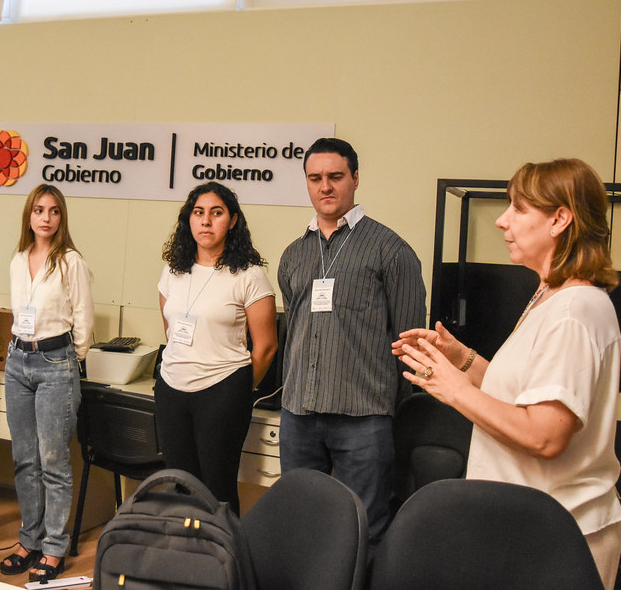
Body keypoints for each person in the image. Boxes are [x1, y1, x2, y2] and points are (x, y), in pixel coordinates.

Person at [392, 158, 621, 589]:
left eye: (517, 209)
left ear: (559, 219)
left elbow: (544, 435)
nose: (502, 221)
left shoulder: (574, 311)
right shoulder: (550, 295)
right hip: (527, 525)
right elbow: (521, 393)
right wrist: (461, 358)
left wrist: (455, 390)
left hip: (558, 536)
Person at [277, 137, 426, 549]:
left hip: (364, 420)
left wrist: (393, 409)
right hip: (298, 417)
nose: (325, 186)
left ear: (355, 179)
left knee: (366, 529)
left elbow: (409, 341)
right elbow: (294, 330)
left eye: (335, 177)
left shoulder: (391, 251)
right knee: (300, 523)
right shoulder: (293, 255)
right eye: (315, 178)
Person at [156, 181, 277, 515]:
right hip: (171, 388)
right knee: (180, 484)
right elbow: (170, 329)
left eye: (216, 213)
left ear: (233, 221)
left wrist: (235, 391)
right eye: (198, 213)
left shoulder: (249, 276)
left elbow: (266, 346)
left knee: (217, 488)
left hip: (223, 391)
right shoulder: (172, 271)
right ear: (188, 220)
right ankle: (186, 559)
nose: (206, 221)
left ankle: (223, 562)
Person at [1, 184, 93, 583]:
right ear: (29, 215)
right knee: (25, 459)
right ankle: (29, 539)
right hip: (17, 360)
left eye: (54, 211)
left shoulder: (71, 261)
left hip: (57, 361)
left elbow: (84, 319)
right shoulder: (19, 260)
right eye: (39, 210)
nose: (46, 218)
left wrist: (72, 360)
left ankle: (54, 547)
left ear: (61, 218)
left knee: (54, 461)